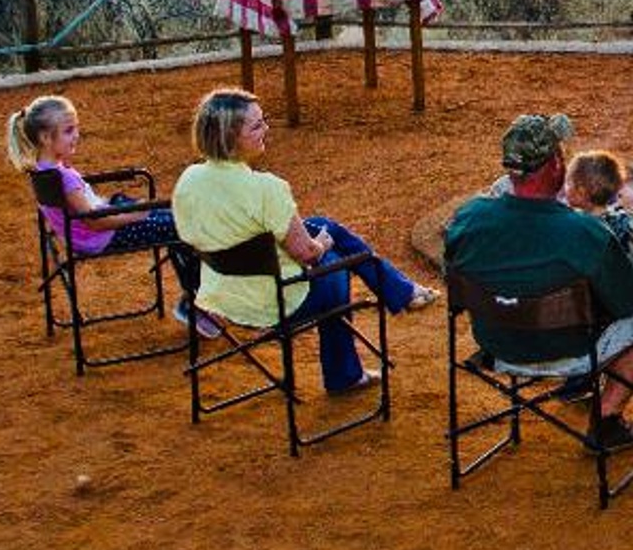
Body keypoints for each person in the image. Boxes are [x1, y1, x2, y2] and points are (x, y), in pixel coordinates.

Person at [169, 88, 435, 396]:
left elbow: (189, 234)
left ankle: (400, 291)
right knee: (334, 259)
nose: (266, 129)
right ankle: (348, 371)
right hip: (275, 304)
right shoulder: (267, 189)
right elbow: (308, 255)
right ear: (230, 136)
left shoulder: (189, 179)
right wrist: (322, 244)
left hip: (222, 297)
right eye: (256, 126)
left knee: (324, 224)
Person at [443, 113, 633, 454]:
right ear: (556, 165)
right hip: (571, 352)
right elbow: (630, 301)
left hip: (496, 346)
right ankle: (606, 419)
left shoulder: (469, 217)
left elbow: (454, 281)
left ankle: (586, 393)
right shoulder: (585, 232)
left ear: (511, 168)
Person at [6, 93, 208, 335]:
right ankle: (194, 303)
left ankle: (194, 296)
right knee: (182, 226)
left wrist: (130, 210)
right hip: (100, 237)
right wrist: (134, 215)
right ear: (45, 138)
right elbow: (95, 222)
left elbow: (89, 213)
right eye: (69, 131)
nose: (76, 135)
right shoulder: (65, 178)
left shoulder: (42, 170)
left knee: (165, 215)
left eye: (76, 128)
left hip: (87, 232)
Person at [566, 149, 633, 304]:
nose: (565, 187)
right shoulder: (623, 217)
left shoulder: (578, 225)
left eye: (568, 183)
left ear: (581, 192)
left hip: (608, 295)